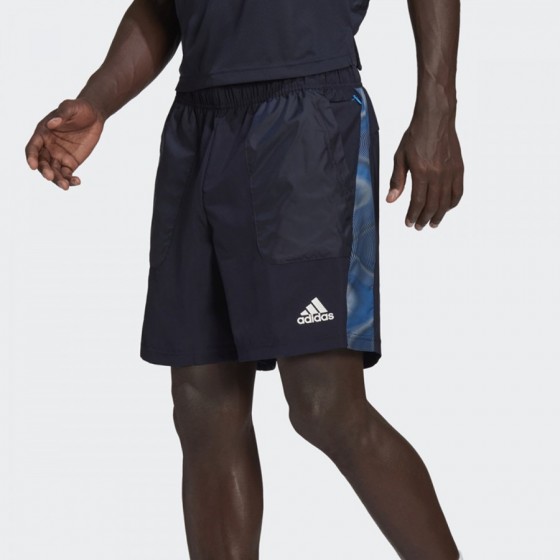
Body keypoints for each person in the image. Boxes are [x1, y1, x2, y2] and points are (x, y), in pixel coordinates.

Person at [24, 0, 465, 558]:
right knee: (203, 405)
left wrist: (437, 110)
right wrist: (97, 101)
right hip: (199, 122)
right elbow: (161, 7)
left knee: (325, 403)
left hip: (307, 113)